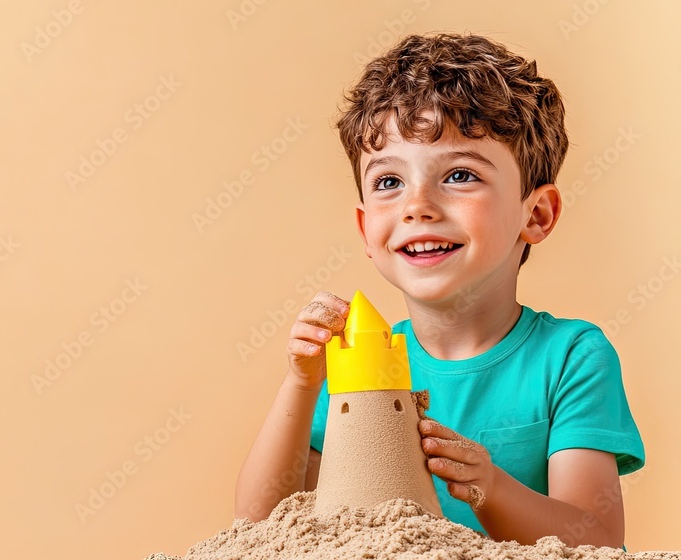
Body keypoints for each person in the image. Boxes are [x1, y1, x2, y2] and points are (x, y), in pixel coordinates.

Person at [234, 32, 644, 549]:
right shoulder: (357, 366)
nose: (417, 205)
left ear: (535, 214)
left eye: (459, 174)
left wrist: (490, 488)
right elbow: (258, 531)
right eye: (389, 182)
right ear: (366, 229)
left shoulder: (571, 358)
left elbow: (597, 540)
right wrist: (301, 382)